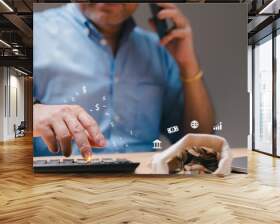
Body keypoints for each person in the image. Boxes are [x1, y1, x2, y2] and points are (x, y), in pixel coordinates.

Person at [33, 3, 214, 159]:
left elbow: (200, 145)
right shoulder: (34, 31)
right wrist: (33, 114)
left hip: (143, 187)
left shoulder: (159, 50)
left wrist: (188, 65)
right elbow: (8, 123)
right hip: (61, 186)